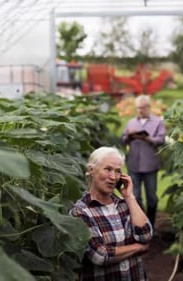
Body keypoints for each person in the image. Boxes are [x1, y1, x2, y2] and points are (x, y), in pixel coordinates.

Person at [70, 147, 153, 281]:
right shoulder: (80, 211)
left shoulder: (125, 204)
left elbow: (145, 235)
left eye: (118, 171)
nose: (113, 177)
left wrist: (129, 197)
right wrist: (138, 247)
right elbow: (100, 255)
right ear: (91, 170)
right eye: (108, 169)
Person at [121, 95, 166, 227]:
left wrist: (148, 139)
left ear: (148, 107)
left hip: (150, 165)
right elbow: (124, 139)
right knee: (136, 197)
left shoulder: (158, 122)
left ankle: (151, 223)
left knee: (151, 198)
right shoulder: (131, 122)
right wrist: (129, 136)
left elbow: (161, 140)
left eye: (142, 108)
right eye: (137, 108)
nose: (139, 111)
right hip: (133, 164)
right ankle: (141, 224)